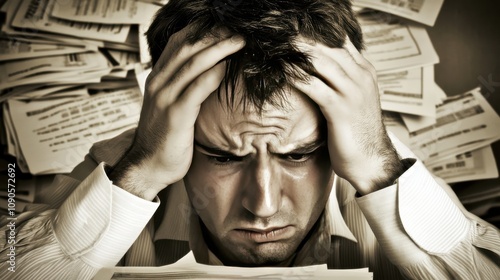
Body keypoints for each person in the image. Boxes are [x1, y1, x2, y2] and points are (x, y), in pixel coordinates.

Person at [1, 0, 499, 279]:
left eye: (299, 153)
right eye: (220, 155)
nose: (263, 205)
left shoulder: (385, 173)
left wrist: (378, 166)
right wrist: (142, 172)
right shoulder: (123, 168)